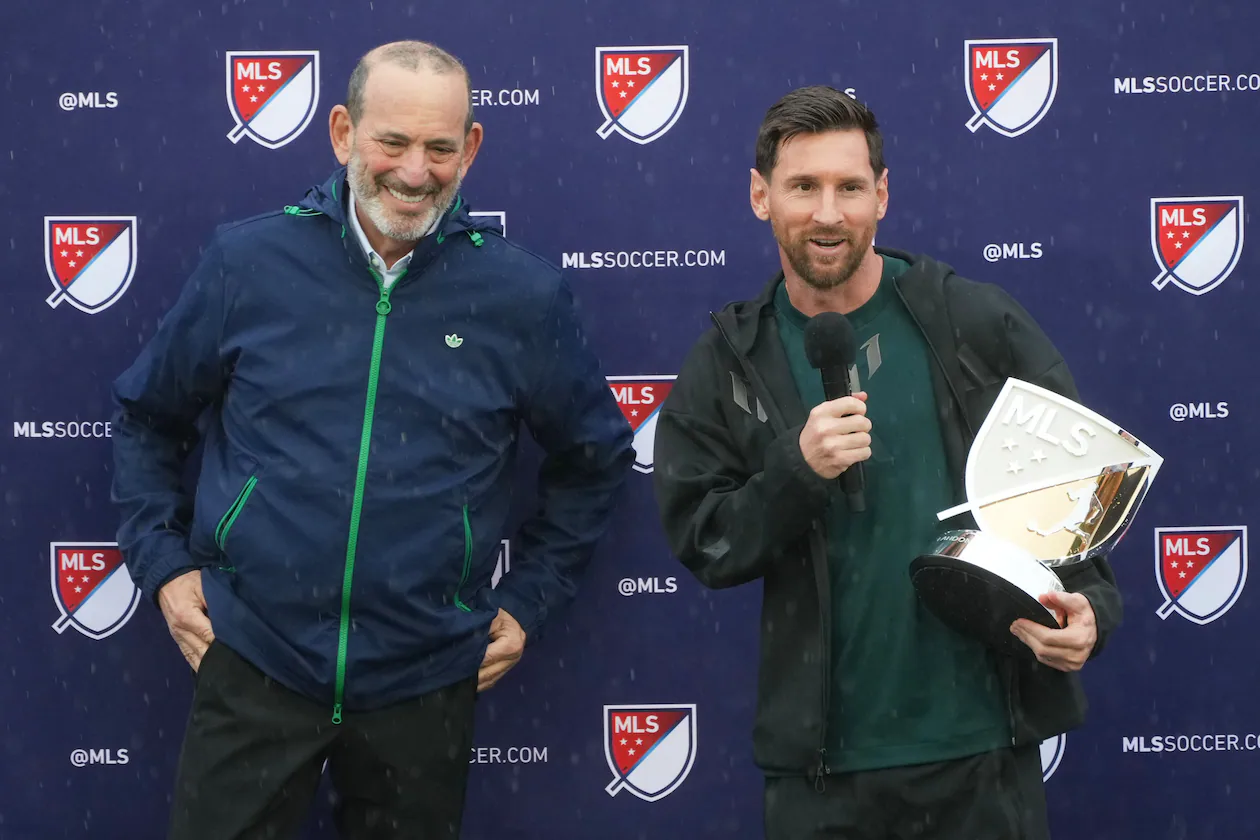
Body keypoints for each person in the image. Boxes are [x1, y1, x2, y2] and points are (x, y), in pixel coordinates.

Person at [110, 40, 634, 839]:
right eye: (393, 142)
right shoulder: (249, 264)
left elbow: (593, 462)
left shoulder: (522, 296)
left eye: (440, 148)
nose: (415, 171)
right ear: (344, 133)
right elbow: (148, 420)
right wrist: (164, 565)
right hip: (255, 659)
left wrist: (527, 601)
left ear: (473, 147)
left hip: (425, 678)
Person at [651, 85, 1121, 840]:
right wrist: (795, 471)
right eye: (803, 187)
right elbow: (708, 540)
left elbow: (1075, 491)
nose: (828, 213)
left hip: (980, 754)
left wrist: (1093, 607)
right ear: (760, 195)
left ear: (883, 195)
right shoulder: (729, 361)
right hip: (823, 776)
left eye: (849, 187)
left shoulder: (973, 320)